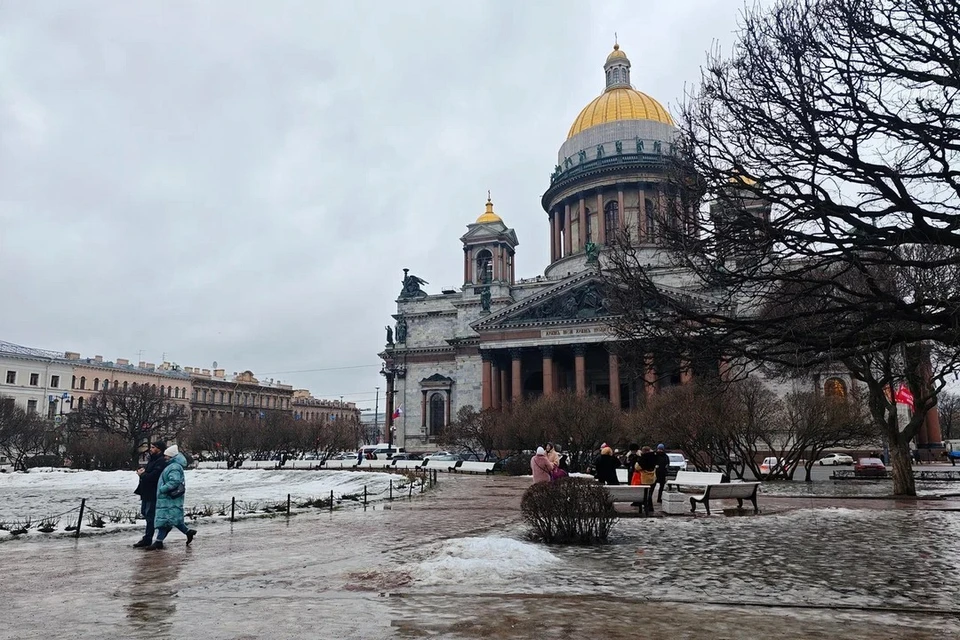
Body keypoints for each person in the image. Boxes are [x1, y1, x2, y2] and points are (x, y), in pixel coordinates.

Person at [150, 445, 196, 550]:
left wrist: (162, 489)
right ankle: (188, 532)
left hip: (168, 499)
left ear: (171, 457)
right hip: (169, 499)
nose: (164, 458)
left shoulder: (174, 467)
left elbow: (174, 481)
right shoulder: (173, 465)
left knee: (165, 521)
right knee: (172, 520)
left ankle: (158, 542)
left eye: (166, 456)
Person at [133, 440, 168, 548]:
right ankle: (149, 537)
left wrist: (142, 475)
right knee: (145, 513)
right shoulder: (153, 459)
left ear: (159, 449)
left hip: (153, 493)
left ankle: (150, 538)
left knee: (150, 516)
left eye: (153, 447)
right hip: (146, 492)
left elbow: (154, 476)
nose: (151, 449)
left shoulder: (160, 461)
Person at [638, 446, 658, 512]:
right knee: (650, 493)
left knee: (645, 494)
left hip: (644, 479)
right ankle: (650, 507)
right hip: (653, 478)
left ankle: (646, 506)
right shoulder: (654, 457)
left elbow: (637, 467)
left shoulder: (642, 458)